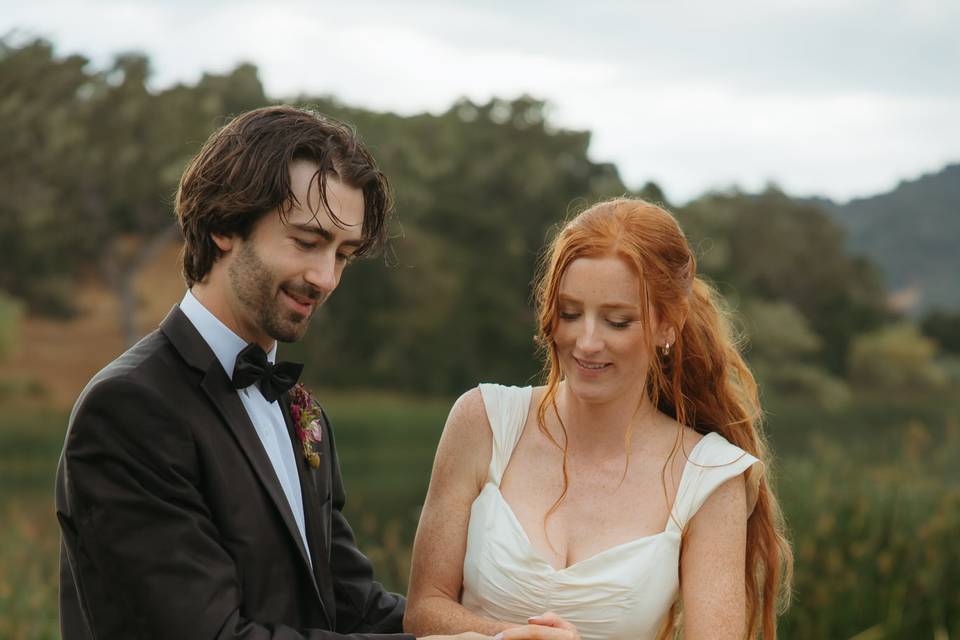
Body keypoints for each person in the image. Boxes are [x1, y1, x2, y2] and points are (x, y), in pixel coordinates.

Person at [55, 105, 483, 640]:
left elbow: (351, 601)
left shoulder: (299, 407)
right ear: (223, 227)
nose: (325, 277)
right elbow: (207, 634)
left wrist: (492, 634)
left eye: (343, 254)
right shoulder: (129, 408)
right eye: (307, 242)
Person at [404, 198, 793, 640]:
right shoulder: (482, 421)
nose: (586, 341)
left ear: (668, 325)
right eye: (570, 313)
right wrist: (509, 638)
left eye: (617, 321)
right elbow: (423, 610)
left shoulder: (710, 476)